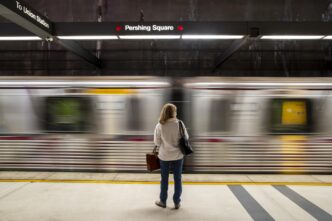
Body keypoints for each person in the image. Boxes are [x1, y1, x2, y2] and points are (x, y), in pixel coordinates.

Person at [154, 103, 189, 209]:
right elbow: (186, 137)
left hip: (164, 156)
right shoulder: (180, 124)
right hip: (178, 156)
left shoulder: (160, 125)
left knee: (164, 179)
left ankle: (163, 201)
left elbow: (157, 142)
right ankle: (177, 202)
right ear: (174, 113)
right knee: (178, 179)